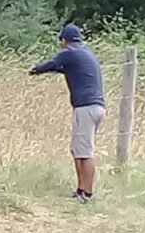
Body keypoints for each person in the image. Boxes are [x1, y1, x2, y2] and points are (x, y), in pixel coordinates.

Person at [29, 23, 106, 202]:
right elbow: (61, 68)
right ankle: (80, 189)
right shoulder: (86, 52)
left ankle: (86, 193)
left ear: (64, 40)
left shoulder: (69, 53)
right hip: (97, 107)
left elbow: (53, 64)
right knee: (78, 149)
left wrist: (35, 70)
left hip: (85, 108)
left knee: (85, 152)